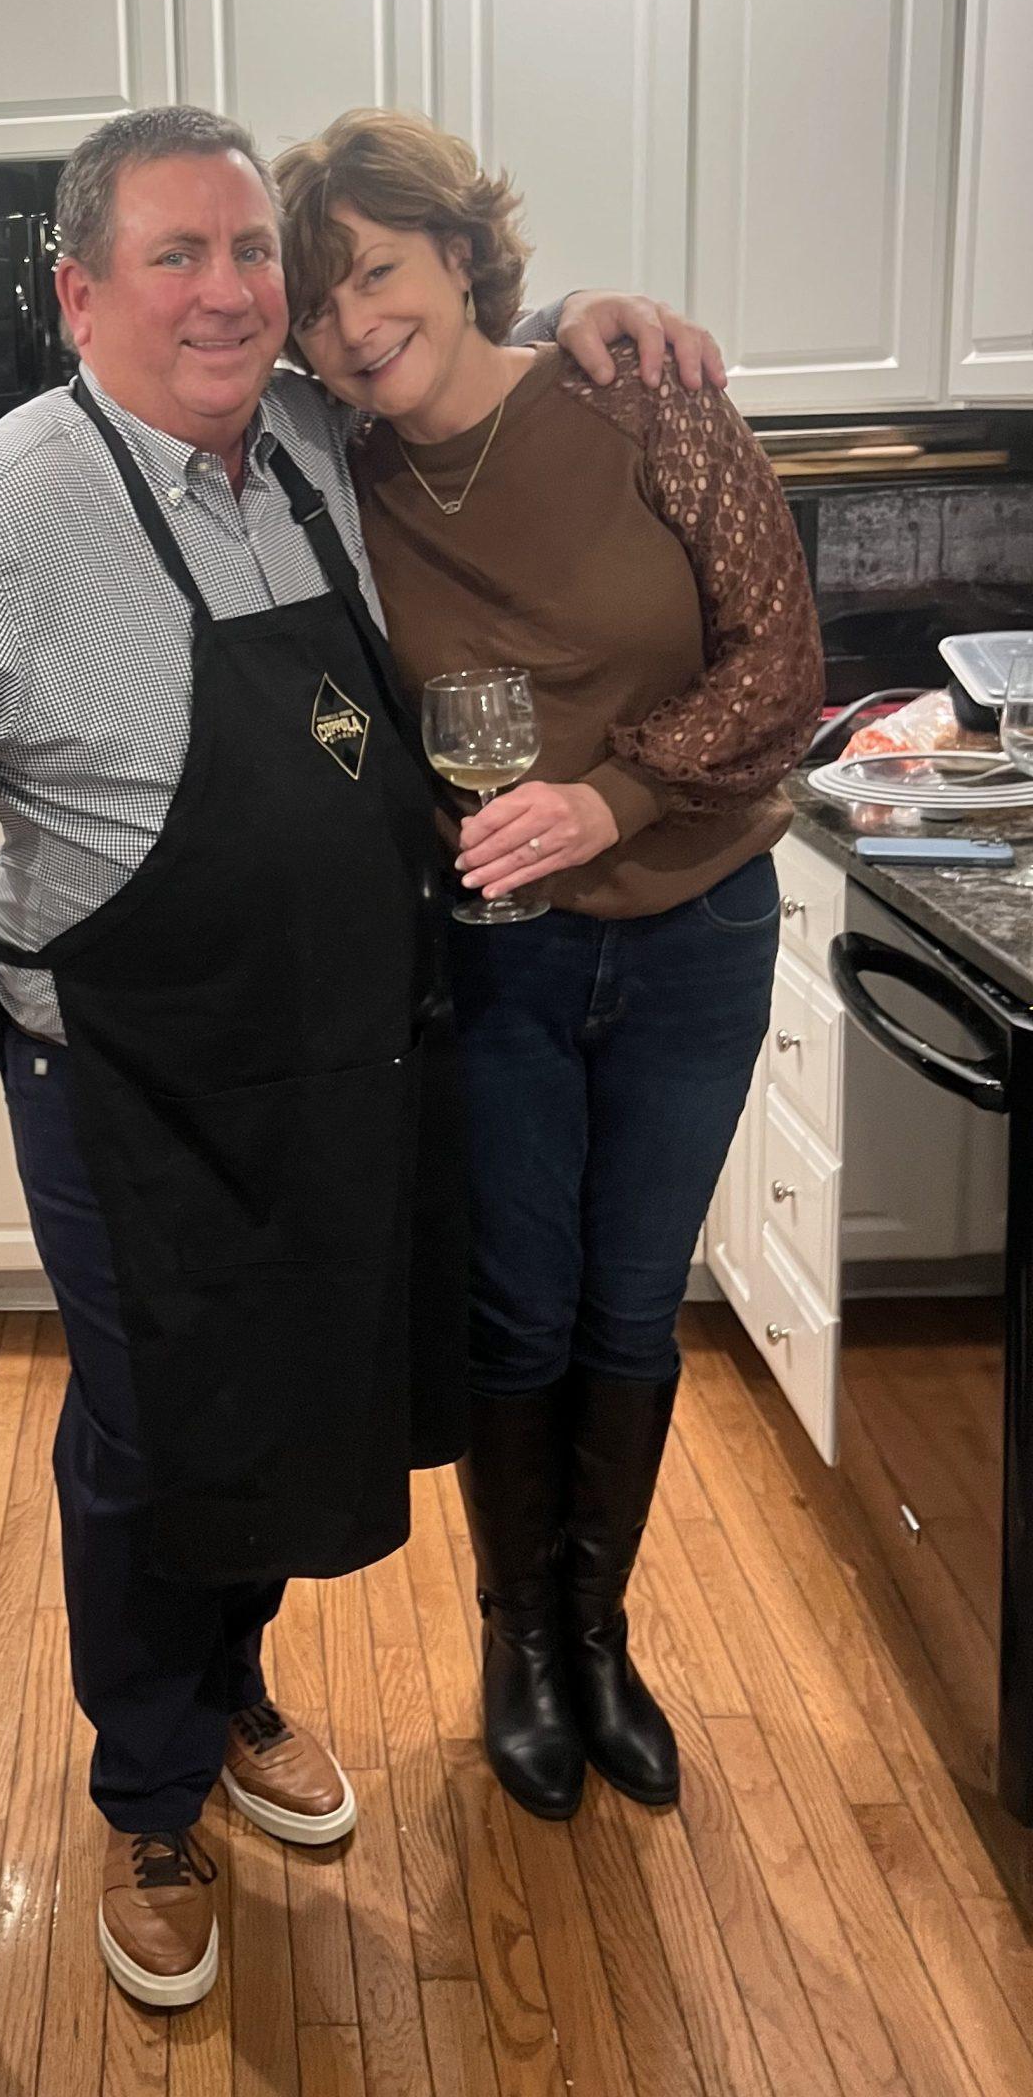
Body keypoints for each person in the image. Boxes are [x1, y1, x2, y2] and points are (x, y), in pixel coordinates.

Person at [0, 104, 726, 2006]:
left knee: (287, 1402)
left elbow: (461, 372)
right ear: (82, 291)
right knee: (159, 1437)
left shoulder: (311, 445)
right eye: (182, 255)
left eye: (256, 253)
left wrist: (594, 321)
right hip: (132, 1074)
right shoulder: (1, 518)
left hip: (338, 1060)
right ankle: (150, 1798)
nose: (236, 291)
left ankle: (232, 1693)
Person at [276, 107, 823, 1824]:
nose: (354, 322)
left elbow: (784, 658)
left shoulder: (637, 392)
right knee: (518, 1306)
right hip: (497, 959)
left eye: (374, 270)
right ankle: (519, 1643)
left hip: (698, 928)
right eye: (320, 304)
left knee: (631, 1302)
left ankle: (601, 1639)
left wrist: (614, 799)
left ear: (457, 250)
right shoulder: (334, 471)